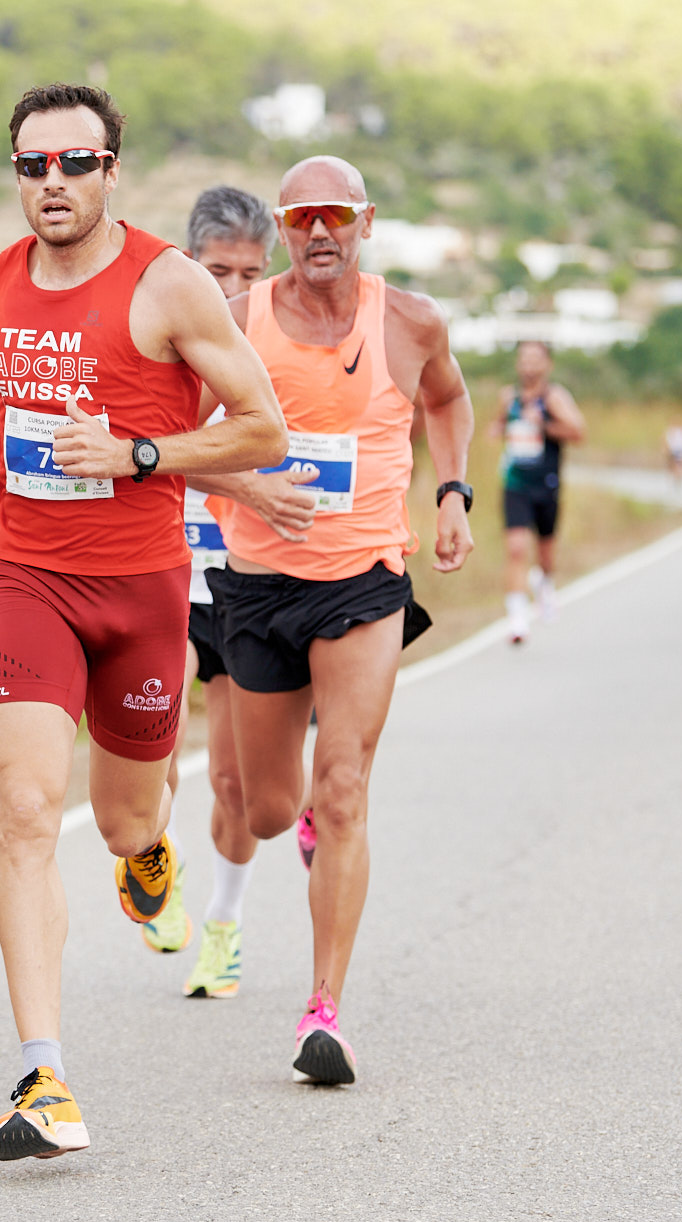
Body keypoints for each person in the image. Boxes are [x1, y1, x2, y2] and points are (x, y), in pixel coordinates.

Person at [0, 85, 288, 1161]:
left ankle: (146, 853)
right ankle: (44, 1073)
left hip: (142, 591)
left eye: (73, 164)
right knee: (27, 811)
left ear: (110, 170)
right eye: (32, 166)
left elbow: (260, 430)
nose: (52, 185)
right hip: (30, 579)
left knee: (124, 819)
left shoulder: (169, 287)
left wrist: (137, 455)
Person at [210, 154, 475, 1087]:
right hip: (258, 582)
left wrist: (451, 491)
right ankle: (307, 821)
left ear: (365, 220)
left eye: (335, 216)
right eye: (300, 219)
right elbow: (176, 441)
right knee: (270, 808)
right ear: (282, 228)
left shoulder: (410, 320)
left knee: (348, 783)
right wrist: (246, 482)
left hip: (366, 576)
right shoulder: (237, 322)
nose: (319, 233)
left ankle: (324, 1008)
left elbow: (445, 396)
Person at [146, 184, 304, 1000]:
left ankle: (226, 924)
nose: (234, 291)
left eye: (249, 272)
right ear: (189, 265)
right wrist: (242, 485)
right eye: (217, 272)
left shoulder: (277, 345)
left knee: (240, 780)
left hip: (248, 587)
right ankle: (155, 858)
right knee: (155, 750)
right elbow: (150, 453)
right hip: (170, 571)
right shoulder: (165, 340)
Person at [493, 340, 586, 644]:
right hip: (515, 483)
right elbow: (496, 427)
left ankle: (545, 584)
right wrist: (497, 432)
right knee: (516, 548)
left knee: (545, 554)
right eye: (524, 359)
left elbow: (578, 432)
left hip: (546, 485)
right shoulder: (509, 397)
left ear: (548, 364)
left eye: (536, 359)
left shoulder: (554, 397)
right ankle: (518, 619)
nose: (529, 364)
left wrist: (543, 425)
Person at [664, 418, 682, 493]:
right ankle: (676, 482)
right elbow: (669, 442)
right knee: (675, 468)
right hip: (675, 452)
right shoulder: (671, 431)